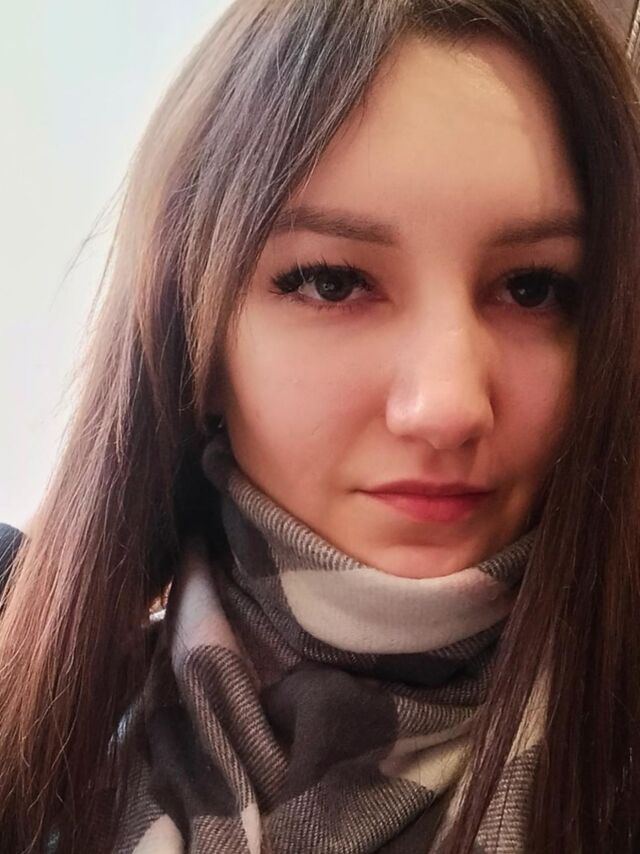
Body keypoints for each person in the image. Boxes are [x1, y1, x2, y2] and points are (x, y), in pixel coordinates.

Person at [1, 0, 640, 851]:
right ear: (197, 340)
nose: (447, 406)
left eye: (533, 288)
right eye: (331, 282)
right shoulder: (39, 716)